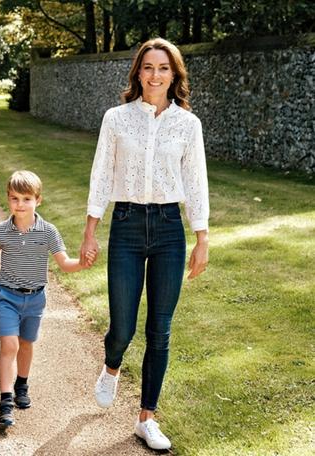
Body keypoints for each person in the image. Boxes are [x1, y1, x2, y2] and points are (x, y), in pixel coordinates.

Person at [80, 38, 209, 451]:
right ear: (138, 72)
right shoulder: (116, 118)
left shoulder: (188, 125)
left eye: (164, 68)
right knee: (122, 326)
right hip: (127, 224)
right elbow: (101, 174)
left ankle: (146, 419)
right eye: (149, 67)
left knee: (160, 329)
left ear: (175, 75)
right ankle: (112, 366)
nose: (155, 75)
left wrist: (201, 237)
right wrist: (90, 230)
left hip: (170, 227)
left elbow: (196, 182)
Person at [0, 171, 93, 428]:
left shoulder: (48, 232)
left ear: (38, 200)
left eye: (26, 198)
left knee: (26, 344)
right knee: (9, 346)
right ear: (8, 199)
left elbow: (64, 263)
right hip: (7, 296)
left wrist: (82, 264)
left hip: (35, 299)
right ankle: (6, 402)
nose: (20, 204)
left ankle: (22, 383)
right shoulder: (1, 231)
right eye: (15, 198)